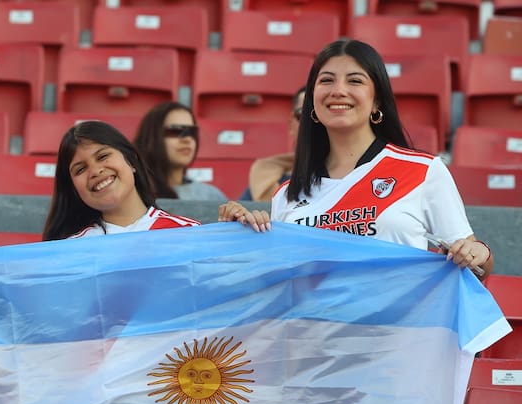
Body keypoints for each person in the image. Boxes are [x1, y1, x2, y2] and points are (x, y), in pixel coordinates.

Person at [270, 38, 493, 280]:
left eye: (355, 80)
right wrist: (244, 229)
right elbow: (279, 283)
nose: (338, 90)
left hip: (400, 318)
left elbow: (475, 269)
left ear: (377, 99)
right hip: (311, 319)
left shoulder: (422, 172)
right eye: (326, 80)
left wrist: (478, 252)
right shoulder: (285, 196)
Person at [42, 120, 203, 240]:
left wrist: (229, 228)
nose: (95, 171)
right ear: (74, 188)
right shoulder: (70, 250)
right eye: (81, 169)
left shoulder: (188, 232)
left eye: (103, 156)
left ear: (131, 160)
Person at [133, 101, 228, 202]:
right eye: (175, 131)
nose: (187, 139)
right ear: (152, 137)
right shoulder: (132, 195)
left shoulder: (212, 197)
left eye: (192, 132)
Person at [240, 87, 305, 202]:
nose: (311, 124)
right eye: (302, 114)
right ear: (291, 123)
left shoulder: (346, 181)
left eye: (316, 115)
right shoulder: (262, 183)